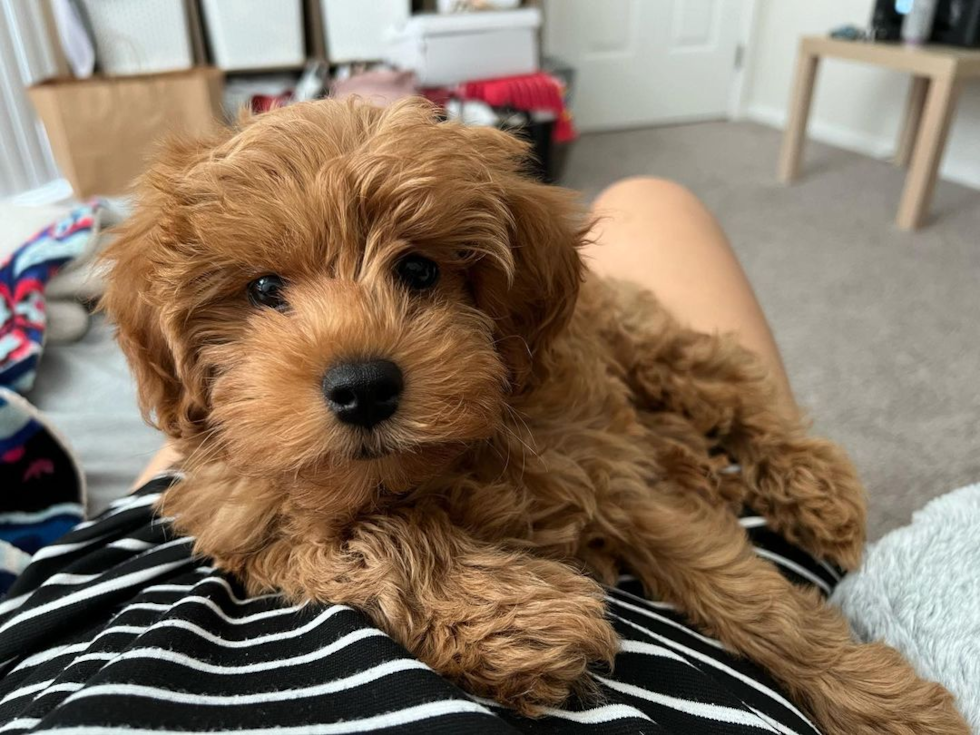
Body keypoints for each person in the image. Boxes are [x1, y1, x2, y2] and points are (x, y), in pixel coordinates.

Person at [0, 179, 831, 735]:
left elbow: (638, 504)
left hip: (101, 602)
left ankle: (761, 434)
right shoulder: (234, 467)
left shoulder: (547, 392)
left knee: (656, 314)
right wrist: (420, 573)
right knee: (655, 204)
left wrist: (830, 668)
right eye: (266, 291)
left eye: (419, 270)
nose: (355, 350)